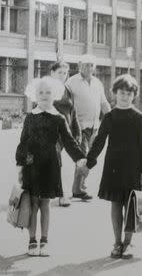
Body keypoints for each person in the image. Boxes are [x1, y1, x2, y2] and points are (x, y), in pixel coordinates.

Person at [15, 76, 87, 257]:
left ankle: (44, 241)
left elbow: (69, 142)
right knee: (32, 204)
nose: (45, 95)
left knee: (45, 204)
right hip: (32, 166)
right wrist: (20, 165)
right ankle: (32, 241)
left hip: (50, 166)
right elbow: (23, 142)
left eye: (48, 92)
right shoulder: (30, 117)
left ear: (54, 94)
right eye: (41, 92)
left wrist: (79, 158)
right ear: (35, 95)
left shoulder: (59, 118)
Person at [85, 74, 142, 259]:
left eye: (129, 93)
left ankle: (128, 243)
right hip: (113, 167)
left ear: (134, 95)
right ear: (114, 94)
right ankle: (117, 242)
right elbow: (99, 142)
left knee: (131, 206)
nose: (125, 97)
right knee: (116, 204)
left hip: (133, 168)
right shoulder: (109, 116)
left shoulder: (139, 117)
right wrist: (89, 162)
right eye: (121, 93)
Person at [66, 54, 111, 200]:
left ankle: (79, 186)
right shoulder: (71, 82)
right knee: (83, 156)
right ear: (79, 65)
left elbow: (104, 103)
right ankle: (78, 189)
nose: (89, 68)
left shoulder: (98, 83)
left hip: (94, 127)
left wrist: (112, 119)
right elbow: (67, 105)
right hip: (80, 126)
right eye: (86, 65)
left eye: (91, 65)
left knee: (90, 157)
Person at [50, 61, 81, 207]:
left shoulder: (67, 91)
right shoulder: (46, 89)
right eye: (59, 72)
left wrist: (77, 131)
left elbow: (73, 112)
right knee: (56, 162)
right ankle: (62, 195)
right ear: (52, 73)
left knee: (64, 164)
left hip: (67, 133)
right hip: (52, 133)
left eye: (65, 73)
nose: (62, 75)